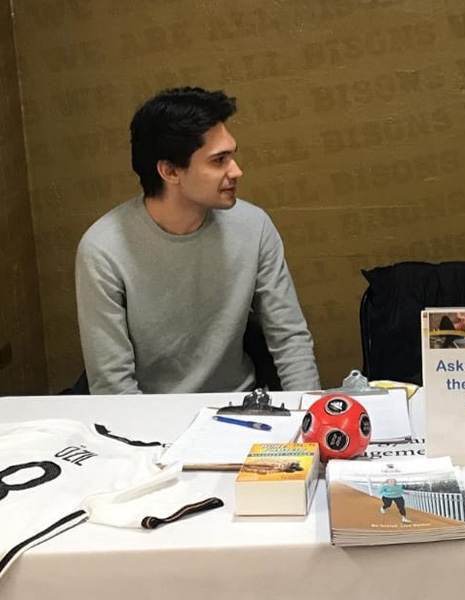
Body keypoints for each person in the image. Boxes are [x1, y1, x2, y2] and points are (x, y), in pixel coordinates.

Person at [75, 87, 320, 394]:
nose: (237, 171)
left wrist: (311, 418)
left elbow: (290, 339)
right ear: (170, 171)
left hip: (241, 409)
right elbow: (113, 385)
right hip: (149, 420)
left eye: (232, 155)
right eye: (219, 161)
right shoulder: (103, 249)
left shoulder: (254, 226)